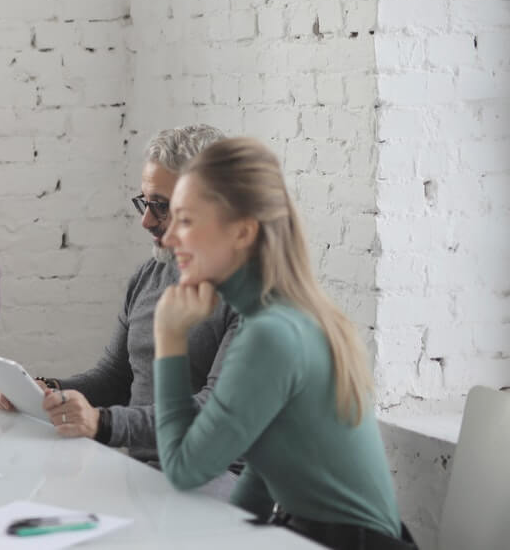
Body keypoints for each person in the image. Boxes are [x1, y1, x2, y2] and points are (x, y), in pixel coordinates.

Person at [154, 138, 409, 549]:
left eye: (185, 220)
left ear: (241, 232)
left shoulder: (272, 334)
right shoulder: (286, 316)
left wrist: (169, 337)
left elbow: (184, 469)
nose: (168, 239)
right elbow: (265, 471)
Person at [0, 124, 238, 468]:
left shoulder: (252, 297)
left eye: (162, 206)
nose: (146, 220)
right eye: (145, 203)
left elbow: (216, 410)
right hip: (144, 470)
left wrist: (103, 423)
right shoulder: (149, 276)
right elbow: (116, 378)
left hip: (217, 478)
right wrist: (44, 393)